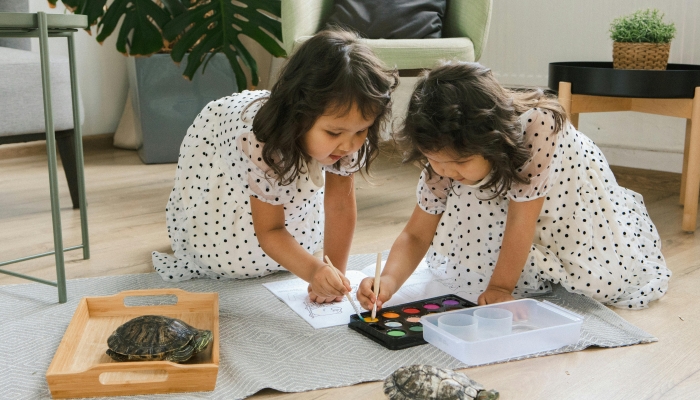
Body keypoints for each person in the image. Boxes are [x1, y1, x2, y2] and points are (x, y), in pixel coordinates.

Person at [357, 61, 670, 310]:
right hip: (506, 182)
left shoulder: (540, 125)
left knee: (599, 278)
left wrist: (499, 288)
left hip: (568, 198)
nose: (446, 172)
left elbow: (522, 219)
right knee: (472, 230)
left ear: (491, 142)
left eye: (460, 163)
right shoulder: (443, 150)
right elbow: (416, 233)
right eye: (435, 161)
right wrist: (387, 280)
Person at [152, 29, 398, 303]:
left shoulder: (349, 133)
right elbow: (269, 230)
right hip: (226, 141)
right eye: (333, 133)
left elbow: (340, 206)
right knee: (232, 254)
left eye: (361, 132)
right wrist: (314, 270)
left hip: (287, 150)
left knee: (296, 233)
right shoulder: (259, 143)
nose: (348, 146)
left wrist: (333, 275)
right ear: (299, 115)